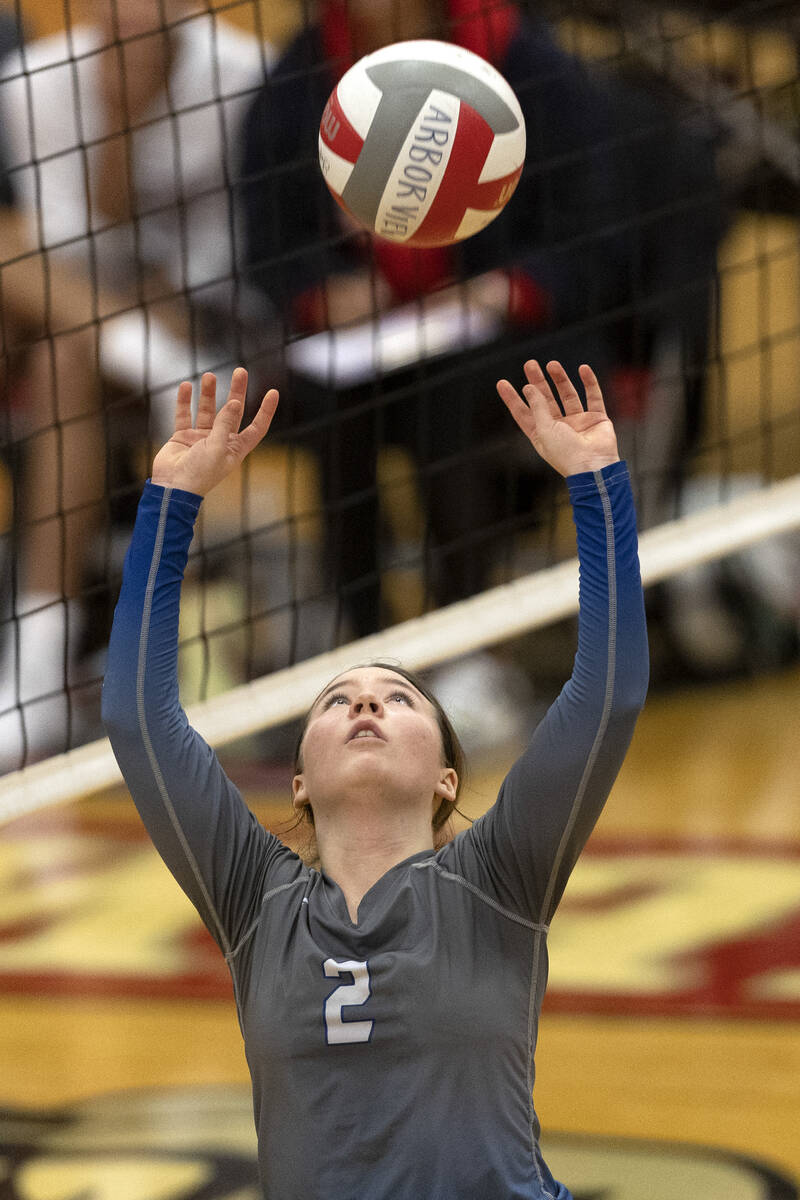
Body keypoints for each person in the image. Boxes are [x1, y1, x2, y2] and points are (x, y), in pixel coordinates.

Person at [102, 356, 649, 1199]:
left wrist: (596, 483)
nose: (366, 705)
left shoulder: (499, 880)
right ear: (297, 782)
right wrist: (172, 500)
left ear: (444, 778)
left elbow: (607, 698)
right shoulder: (254, 902)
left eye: (399, 699)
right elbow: (140, 721)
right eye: (337, 701)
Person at [239, 0, 725, 659]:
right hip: (371, 342)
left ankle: (462, 638)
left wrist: (506, 288)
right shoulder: (304, 74)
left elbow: (597, 235)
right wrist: (323, 292)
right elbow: (269, 236)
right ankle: (362, 638)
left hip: (524, 329)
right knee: (337, 407)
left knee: (451, 398)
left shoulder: (526, 62)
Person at [0, 0, 274, 769]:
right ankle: (36, 675)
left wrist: (155, 298)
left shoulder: (241, 74)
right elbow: (61, 244)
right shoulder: (32, 83)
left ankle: (52, 665)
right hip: (100, 330)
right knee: (53, 336)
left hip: (211, 329)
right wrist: (117, 127)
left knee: (62, 346)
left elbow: (229, 259)